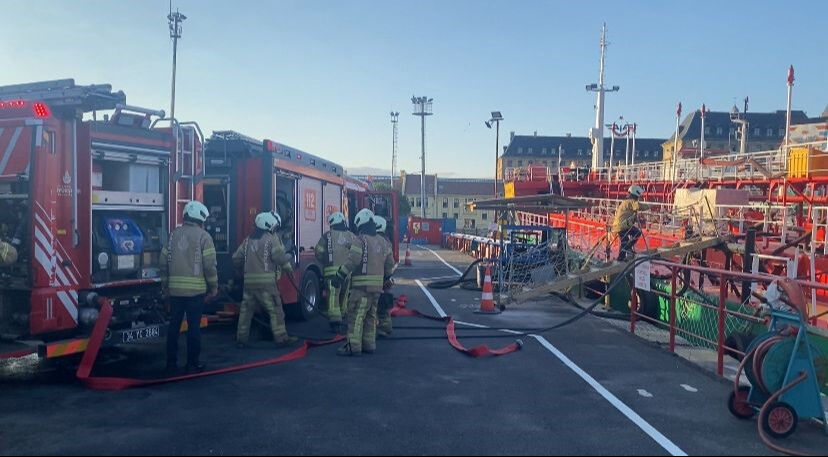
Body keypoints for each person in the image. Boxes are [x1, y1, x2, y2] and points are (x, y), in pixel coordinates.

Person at [161, 201, 218, 374]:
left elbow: (163, 263)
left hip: (175, 292)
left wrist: (166, 287)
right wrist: (214, 287)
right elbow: (209, 265)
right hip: (196, 293)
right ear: (200, 218)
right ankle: (192, 364)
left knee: (173, 327)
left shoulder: (173, 235)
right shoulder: (204, 236)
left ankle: (171, 364)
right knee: (194, 328)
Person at [233, 212, 298, 348]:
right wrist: (290, 258)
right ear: (269, 224)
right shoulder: (271, 239)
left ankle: (241, 340)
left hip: (249, 285)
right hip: (266, 285)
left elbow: (236, 259)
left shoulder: (248, 240)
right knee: (276, 310)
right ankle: (281, 339)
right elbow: (279, 258)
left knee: (245, 313)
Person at [337, 209, 394, 357]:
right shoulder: (383, 241)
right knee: (370, 316)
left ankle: (353, 347)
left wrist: (339, 275)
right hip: (377, 289)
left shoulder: (360, 240)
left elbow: (353, 260)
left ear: (360, 223)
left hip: (361, 288)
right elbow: (390, 264)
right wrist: (386, 277)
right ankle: (369, 345)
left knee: (356, 317)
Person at [314, 212, 363, 334]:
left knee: (333, 298)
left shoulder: (327, 236)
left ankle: (335, 323)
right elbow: (358, 254)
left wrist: (325, 262)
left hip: (331, 273)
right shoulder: (352, 236)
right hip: (346, 274)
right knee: (344, 296)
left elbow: (318, 252)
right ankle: (343, 317)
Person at [373, 215, 396, 338]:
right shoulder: (386, 241)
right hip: (384, 277)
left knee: (377, 305)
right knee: (382, 304)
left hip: (377, 278)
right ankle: (385, 326)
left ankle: (381, 328)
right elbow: (390, 262)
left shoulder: (376, 240)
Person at [612, 185, 649, 261]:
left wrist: (638, 219)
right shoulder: (631, 202)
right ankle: (623, 255)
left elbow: (629, 214)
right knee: (631, 237)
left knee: (628, 238)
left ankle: (624, 253)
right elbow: (638, 206)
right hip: (622, 226)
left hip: (622, 225)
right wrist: (650, 206)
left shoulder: (626, 202)